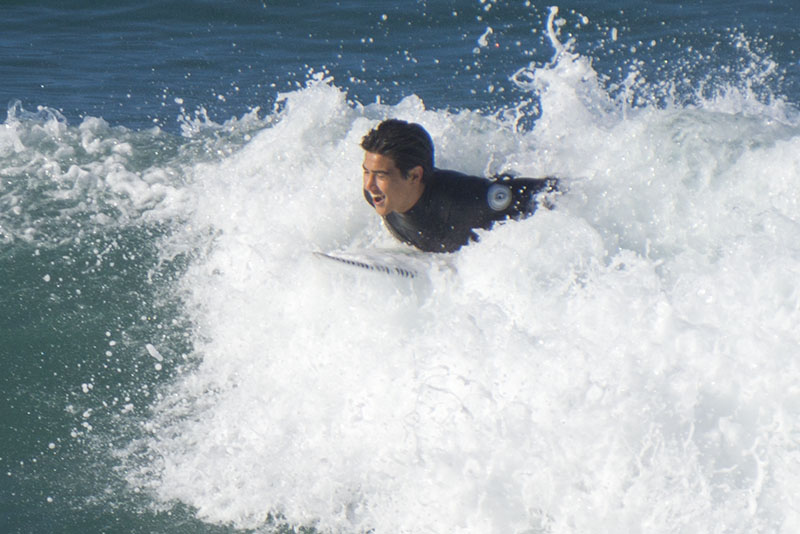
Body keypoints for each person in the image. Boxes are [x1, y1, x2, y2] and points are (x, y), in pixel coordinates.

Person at [360, 118, 558, 253]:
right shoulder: (377, 196)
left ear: (414, 176)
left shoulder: (464, 202)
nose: (369, 184)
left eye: (380, 175)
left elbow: (544, 192)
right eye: (366, 171)